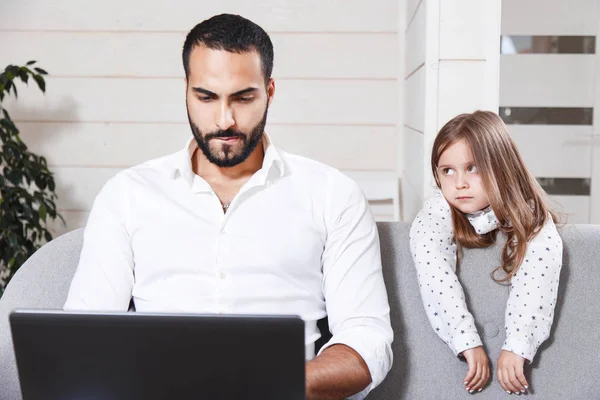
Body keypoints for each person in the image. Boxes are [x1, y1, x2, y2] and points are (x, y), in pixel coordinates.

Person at [63, 13, 393, 400]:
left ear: (270, 91)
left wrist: (275, 384)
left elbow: (366, 342)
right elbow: (85, 337)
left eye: (244, 97)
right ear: (186, 90)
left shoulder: (333, 194)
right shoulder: (127, 195)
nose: (225, 120)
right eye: (206, 97)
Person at [410, 111, 563, 395]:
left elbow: (538, 276)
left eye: (473, 168)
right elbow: (433, 271)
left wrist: (518, 344)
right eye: (447, 171)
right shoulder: (436, 211)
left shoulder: (532, 216)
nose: (459, 183)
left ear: (501, 167)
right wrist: (466, 339)